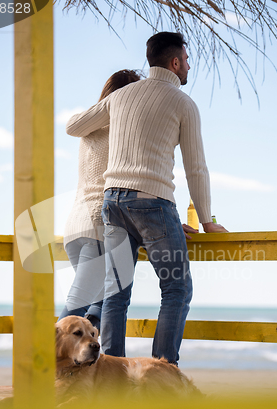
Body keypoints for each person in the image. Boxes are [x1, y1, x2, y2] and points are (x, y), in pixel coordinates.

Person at [65, 32, 228, 364]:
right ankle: (162, 370)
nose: (189, 66)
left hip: (113, 203)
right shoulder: (184, 103)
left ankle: (111, 372)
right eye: (187, 60)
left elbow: (76, 126)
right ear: (175, 62)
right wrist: (208, 220)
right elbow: (196, 167)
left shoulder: (122, 97)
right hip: (153, 201)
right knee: (176, 290)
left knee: (116, 295)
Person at [59, 69, 141, 329]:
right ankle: (40, 365)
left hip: (74, 229)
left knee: (100, 303)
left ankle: (88, 365)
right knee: (75, 310)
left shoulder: (90, 128)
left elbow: (72, 124)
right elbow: (135, 182)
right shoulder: (123, 131)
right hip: (101, 227)